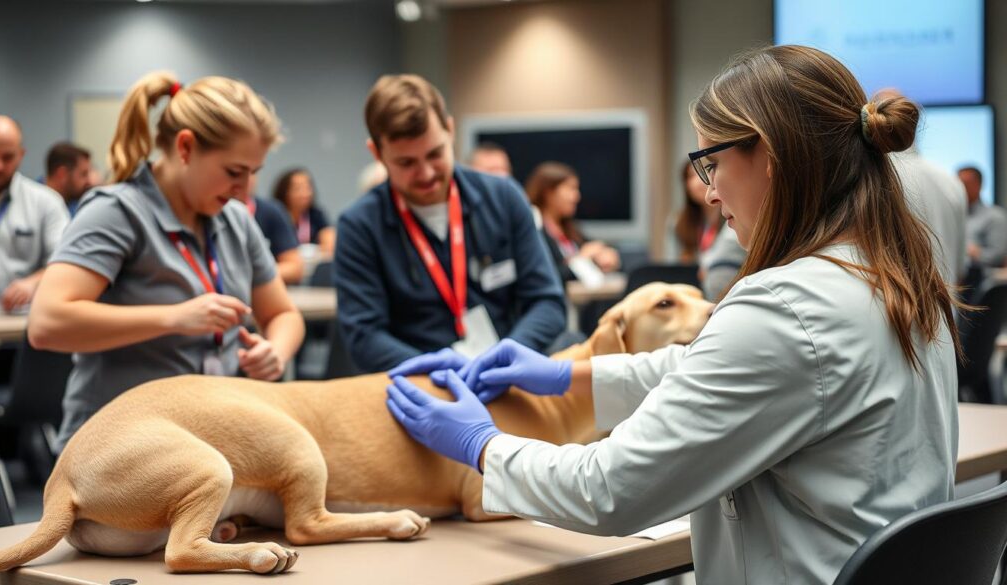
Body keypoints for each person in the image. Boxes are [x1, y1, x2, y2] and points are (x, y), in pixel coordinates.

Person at [384, 45, 960, 585]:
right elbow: (727, 373)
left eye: (710, 162)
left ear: (771, 158)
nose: (708, 193)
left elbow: (606, 490)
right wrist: (571, 376)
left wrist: (481, 444)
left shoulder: (785, 307)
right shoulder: (894, 278)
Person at [27, 71, 305, 450]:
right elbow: (47, 322)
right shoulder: (117, 212)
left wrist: (277, 351)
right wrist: (173, 317)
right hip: (115, 447)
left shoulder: (236, 220)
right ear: (186, 147)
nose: (243, 190)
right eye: (233, 172)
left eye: (252, 174)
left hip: (207, 440)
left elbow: (283, 315)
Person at [334, 74, 565, 373]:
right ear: (377, 154)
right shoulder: (359, 226)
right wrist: (440, 371)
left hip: (506, 376)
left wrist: (505, 358)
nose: (427, 173)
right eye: (407, 163)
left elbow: (548, 302)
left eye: (435, 154)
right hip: (419, 388)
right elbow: (365, 336)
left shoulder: (504, 198)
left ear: (450, 130)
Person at [0, 115, 70, 313]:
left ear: (21, 155)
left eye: (7, 157)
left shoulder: (46, 203)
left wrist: (33, 282)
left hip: (20, 330)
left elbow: (65, 263)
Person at [525, 161, 620, 283]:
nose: (576, 196)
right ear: (548, 192)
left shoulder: (570, 229)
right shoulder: (533, 228)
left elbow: (594, 247)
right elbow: (545, 274)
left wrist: (605, 256)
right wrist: (581, 259)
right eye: (570, 189)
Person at [677, 160, 746, 300]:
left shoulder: (733, 218)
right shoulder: (679, 223)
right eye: (690, 176)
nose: (697, 181)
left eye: (704, 172)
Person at [241, 172, 304, 284]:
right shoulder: (214, 213)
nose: (246, 179)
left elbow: (295, 268)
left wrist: (246, 275)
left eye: (253, 171)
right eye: (234, 171)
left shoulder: (271, 211)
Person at [272, 168, 336, 256]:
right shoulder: (274, 215)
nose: (304, 193)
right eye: (297, 188)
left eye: (307, 187)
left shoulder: (316, 215)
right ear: (285, 191)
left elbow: (330, 243)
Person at [959, 166, 1007, 277]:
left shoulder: (995, 217)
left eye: (964, 184)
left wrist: (972, 252)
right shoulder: (953, 216)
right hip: (955, 273)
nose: (960, 189)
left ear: (978, 185)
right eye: (957, 185)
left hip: (980, 277)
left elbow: (997, 256)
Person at [44, 141, 94, 217]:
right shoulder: (33, 208)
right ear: (62, 174)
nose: (89, 181)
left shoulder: (77, 207)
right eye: (83, 174)